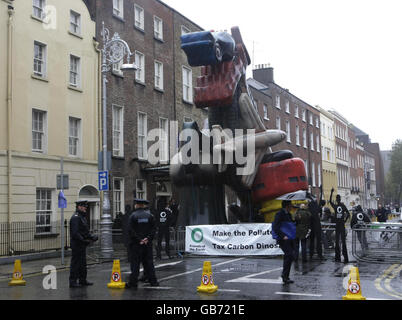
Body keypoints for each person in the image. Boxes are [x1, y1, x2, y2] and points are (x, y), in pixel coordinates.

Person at [126, 199, 159, 289]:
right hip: (147, 244)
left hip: (136, 244)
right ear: (143, 205)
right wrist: (147, 239)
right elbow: (154, 229)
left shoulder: (133, 216)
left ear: (136, 205)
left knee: (135, 264)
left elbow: (130, 230)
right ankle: (153, 281)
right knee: (149, 263)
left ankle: (133, 283)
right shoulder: (150, 216)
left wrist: (139, 240)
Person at [69, 200, 98, 288]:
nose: (86, 207)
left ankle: (82, 280)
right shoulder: (76, 217)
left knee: (82, 263)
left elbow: (85, 231)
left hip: (81, 244)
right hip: (77, 244)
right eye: (84, 206)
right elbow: (75, 233)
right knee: (75, 264)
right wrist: (83, 240)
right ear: (79, 207)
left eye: (86, 206)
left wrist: (92, 237)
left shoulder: (82, 217)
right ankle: (72, 281)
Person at [272, 200, 296, 284]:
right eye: (290, 205)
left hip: (290, 238)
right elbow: (275, 227)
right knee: (289, 254)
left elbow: (290, 225)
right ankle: (285, 276)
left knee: (289, 256)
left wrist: (297, 220)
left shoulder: (289, 214)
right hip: (283, 239)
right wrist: (283, 236)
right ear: (287, 206)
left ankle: (285, 276)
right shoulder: (280, 214)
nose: (291, 207)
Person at [329, 188, 350, 263]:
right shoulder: (343, 206)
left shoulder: (335, 206)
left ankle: (337, 257)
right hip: (342, 225)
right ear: (340, 199)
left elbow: (330, 201)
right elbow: (348, 214)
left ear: (336, 199)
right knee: (343, 242)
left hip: (337, 225)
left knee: (337, 241)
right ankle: (346, 258)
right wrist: (344, 220)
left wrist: (331, 193)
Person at [307, 186, 326, 260]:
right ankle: (319, 254)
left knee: (312, 240)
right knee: (318, 240)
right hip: (317, 224)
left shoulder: (310, 206)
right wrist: (321, 191)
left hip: (311, 224)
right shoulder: (318, 207)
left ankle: (311, 254)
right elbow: (320, 213)